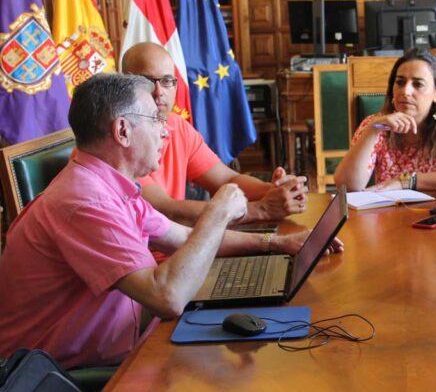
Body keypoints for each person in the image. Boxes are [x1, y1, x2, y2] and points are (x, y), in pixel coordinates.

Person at [0, 74, 339, 369]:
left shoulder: (110, 184)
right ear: (122, 130)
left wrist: (278, 244)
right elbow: (168, 297)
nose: (165, 133)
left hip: (130, 342)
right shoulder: (86, 201)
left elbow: (183, 238)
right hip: (66, 381)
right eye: (155, 120)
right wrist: (218, 212)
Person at [121, 42, 307, 225]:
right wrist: (261, 209)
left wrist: (276, 190)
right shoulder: (122, 137)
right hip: (143, 253)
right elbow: (165, 210)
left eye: (167, 81)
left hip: (178, 246)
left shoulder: (177, 125)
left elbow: (227, 179)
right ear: (125, 84)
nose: (159, 92)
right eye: (147, 81)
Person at [334, 48, 436, 191]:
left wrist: (406, 181)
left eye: (418, 84)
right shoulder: (376, 124)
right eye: (400, 82)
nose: (405, 91)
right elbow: (346, 186)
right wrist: (372, 131)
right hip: (391, 213)